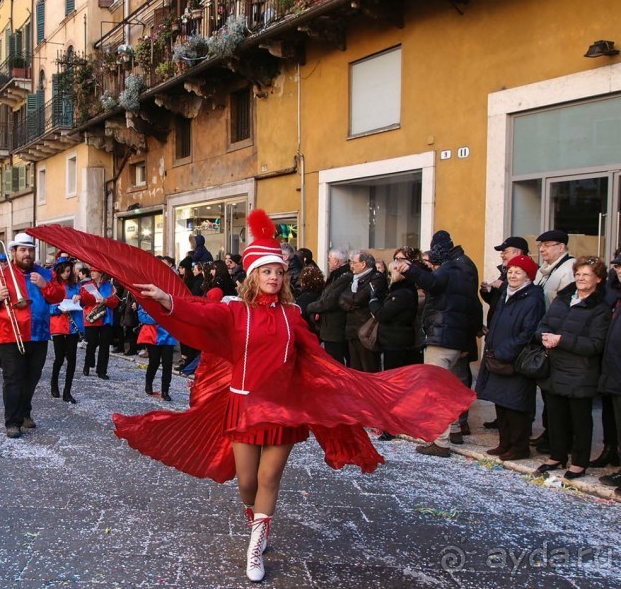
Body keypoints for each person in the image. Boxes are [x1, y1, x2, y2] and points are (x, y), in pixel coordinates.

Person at [29, 212, 473, 584]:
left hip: (282, 411)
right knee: (246, 481)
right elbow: (200, 312)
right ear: (254, 275)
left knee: (268, 478)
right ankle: (255, 515)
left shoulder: (294, 316)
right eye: (267, 271)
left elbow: (319, 359)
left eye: (279, 271)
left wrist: (354, 389)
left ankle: (257, 542)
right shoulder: (235, 311)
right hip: (242, 405)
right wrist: (167, 298)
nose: (274, 277)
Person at [397, 230, 482, 457]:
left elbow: (433, 283)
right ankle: (454, 429)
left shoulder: (450, 267)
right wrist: (469, 338)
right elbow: (473, 304)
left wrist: (411, 270)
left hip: (441, 336)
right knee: (450, 388)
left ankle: (440, 442)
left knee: (435, 391)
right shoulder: (465, 267)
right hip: (456, 337)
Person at [0, 233, 65, 438]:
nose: (27, 254)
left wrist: (45, 285)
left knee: (32, 377)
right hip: (10, 335)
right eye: (23, 250)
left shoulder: (45, 273)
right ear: (13, 252)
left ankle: (25, 412)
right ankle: (12, 421)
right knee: (13, 379)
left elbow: (59, 296)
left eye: (30, 250)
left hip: (39, 334)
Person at [533, 256, 610, 479]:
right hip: (555, 366)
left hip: (580, 371)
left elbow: (595, 344)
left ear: (598, 279)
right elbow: (543, 324)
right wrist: (543, 336)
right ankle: (557, 456)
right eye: (578, 274)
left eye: (586, 275)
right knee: (555, 416)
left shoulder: (600, 309)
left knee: (580, 420)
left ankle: (579, 462)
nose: (581, 278)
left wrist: (561, 340)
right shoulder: (562, 299)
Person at [474, 255, 545, 460]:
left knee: (516, 406)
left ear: (528, 276)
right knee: (501, 403)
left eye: (518, 272)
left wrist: (504, 351)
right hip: (497, 357)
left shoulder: (532, 299)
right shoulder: (507, 294)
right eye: (510, 272)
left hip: (515, 360)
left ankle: (519, 447)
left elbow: (528, 332)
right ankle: (504, 443)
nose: (513, 275)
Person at [531, 229, 576, 454]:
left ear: (561, 247)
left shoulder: (569, 270)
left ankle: (560, 437)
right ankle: (549, 432)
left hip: (557, 338)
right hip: (544, 334)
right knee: (547, 391)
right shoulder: (545, 271)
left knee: (558, 394)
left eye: (547, 245)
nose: (542, 249)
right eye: (541, 245)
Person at [593, 250, 621, 469]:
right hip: (610, 365)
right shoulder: (613, 291)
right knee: (611, 415)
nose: (619, 270)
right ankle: (611, 452)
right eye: (618, 267)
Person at [339, 250, 388, 373]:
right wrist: (352, 303)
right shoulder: (353, 279)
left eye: (354, 263)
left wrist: (352, 301)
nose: (351, 266)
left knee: (369, 369)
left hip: (366, 331)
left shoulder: (376, 278)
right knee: (355, 370)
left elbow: (359, 298)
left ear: (363, 264)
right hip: (352, 331)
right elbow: (341, 299)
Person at [305, 247, 351, 365]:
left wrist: (310, 307)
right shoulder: (336, 276)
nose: (328, 262)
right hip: (330, 328)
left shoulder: (344, 277)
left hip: (335, 328)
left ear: (336, 261)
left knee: (336, 363)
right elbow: (324, 296)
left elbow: (330, 301)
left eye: (329, 259)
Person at [48, 257, 83, 403]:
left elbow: (85, 300)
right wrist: (59, 308)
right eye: (63, 271)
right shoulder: (52, 285)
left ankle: (67, 391)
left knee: (72, 359)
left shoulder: (75, 285)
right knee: (59, 358)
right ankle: (54, 383)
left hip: (72, 326)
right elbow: (48, 307)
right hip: (58, 325)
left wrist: (79, 297)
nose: (66, 274)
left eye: (68, 271)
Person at [80, 268, 119, 380]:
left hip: (106, 319)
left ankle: (101, 371)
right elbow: (84, 301)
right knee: (91, 343)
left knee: (105, 346)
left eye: (95, 271)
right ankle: (88, 364)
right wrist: (96, 299)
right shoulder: (86, 285)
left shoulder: (109, 286)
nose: (92, 273)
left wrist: (106, 301)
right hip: (92, 318)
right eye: (91, 271)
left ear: (101, 273)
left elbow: (115, 302)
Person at [137, 304, 177, 401]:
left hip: (168, 335)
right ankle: (148, 384)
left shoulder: (170, 299)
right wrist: (159, 317)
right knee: (154, 362)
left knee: (167, 364)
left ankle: (165, 391)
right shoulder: (146, 300)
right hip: (153, 335)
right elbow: (142, 317)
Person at [294, 265, 325, 335]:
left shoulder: (304, 298)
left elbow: (299, 317)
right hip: (320, 332)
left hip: (307, 332)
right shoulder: (323, 295)